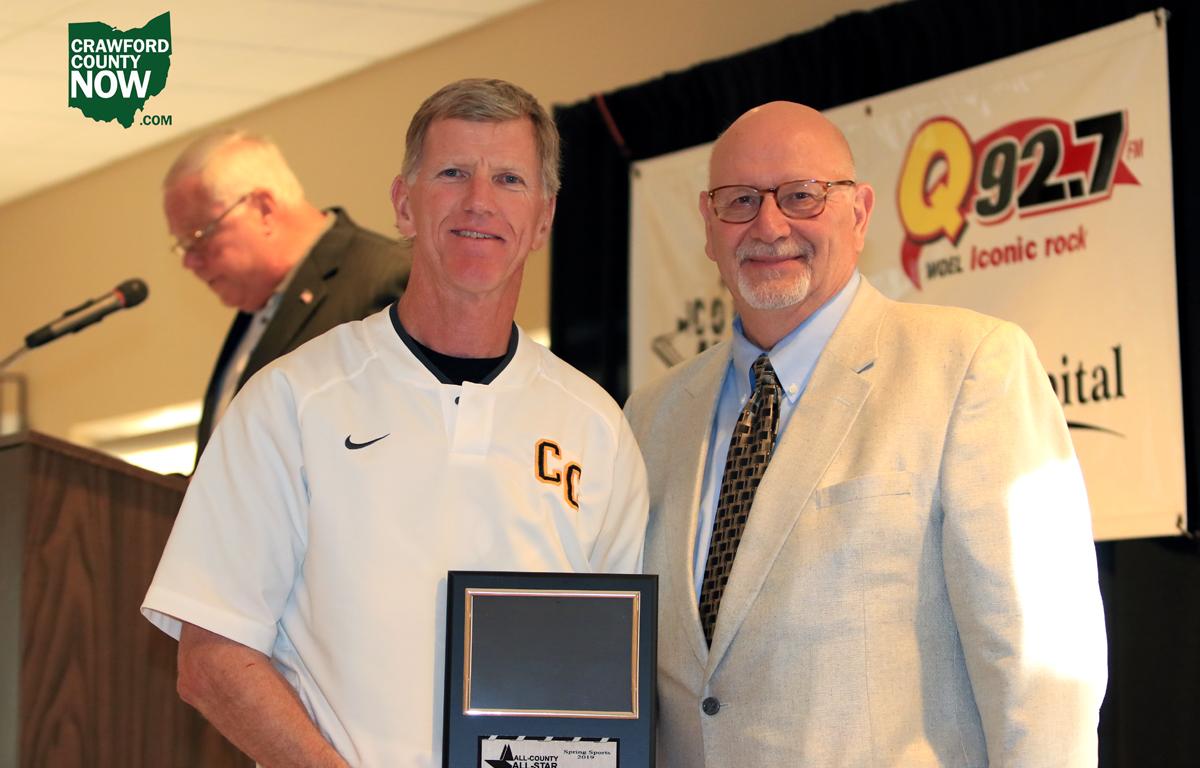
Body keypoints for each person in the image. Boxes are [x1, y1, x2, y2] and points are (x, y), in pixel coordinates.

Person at [142, 79, 648, 766]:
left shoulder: (597, 427)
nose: (479, 201)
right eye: (452, 173)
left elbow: (609, 678)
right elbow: (211, 658)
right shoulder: (291, 401)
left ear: (543, 217)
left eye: (509, 179)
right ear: (404, 205)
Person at [624, 102, 1108, 766]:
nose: (769, 225)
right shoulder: (651, 417)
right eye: (740, 201)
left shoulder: (969, 366)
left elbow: (1042, 672)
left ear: (859, 212)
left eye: (802, 195)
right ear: (709, 226)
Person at [163, 130, 411, 459]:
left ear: (263, 209)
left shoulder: (386, 280)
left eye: (199, 236)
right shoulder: (257, 308)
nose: (189, 262)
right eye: (183, 246)